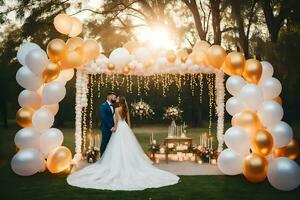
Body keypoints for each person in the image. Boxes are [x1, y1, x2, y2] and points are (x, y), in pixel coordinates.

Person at [67, 96, 179, 191]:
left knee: (116, 147)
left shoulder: (116, 109)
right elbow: (128, 121)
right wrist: (128, 129)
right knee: (127, 147)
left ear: (119, 101)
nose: (116, 99)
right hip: (125, 128)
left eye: (118, 98)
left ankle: (117, 164)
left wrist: (114, 128)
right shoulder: (125, 109)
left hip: (119, 128)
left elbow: (116, 122)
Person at [99, 91, 117, 156]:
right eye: (114, 97)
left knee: (111, 144)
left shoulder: (113, 106)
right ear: (109, 97)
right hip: (106, 128)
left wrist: (115, 126)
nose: (115, 99)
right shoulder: (103, 106)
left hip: (113, 128)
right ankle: (102, 158)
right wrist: (110, 127)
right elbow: (104, 118)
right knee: (104, 143)